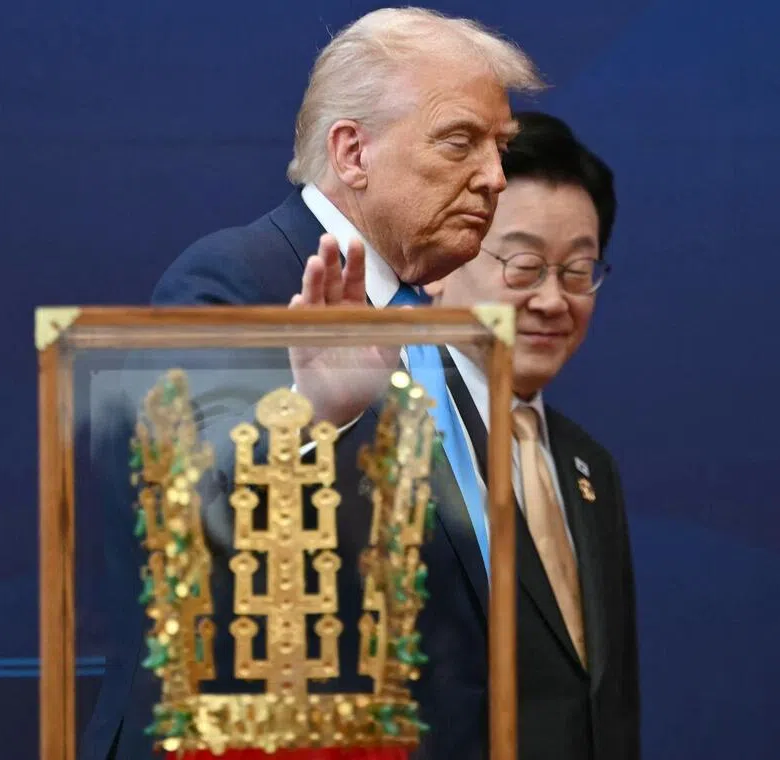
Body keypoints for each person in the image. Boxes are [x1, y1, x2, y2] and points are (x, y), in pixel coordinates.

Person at [80, 8, 542, 760]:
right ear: (352, 152)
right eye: (460, 142)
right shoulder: (234, 277)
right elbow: (178, 515)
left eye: (500, 148)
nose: (494, 177)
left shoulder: (428, 316)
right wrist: (308, 416)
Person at [423, 111, 640, 759]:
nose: (553, 300)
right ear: (441, 263)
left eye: (578, 271)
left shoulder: (587, 464)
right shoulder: (386, 442)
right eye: (523, 266)